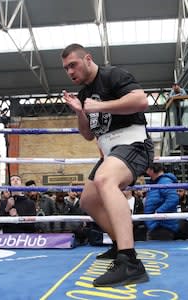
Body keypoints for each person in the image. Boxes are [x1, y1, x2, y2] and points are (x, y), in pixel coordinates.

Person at [61, 43, 154, 287]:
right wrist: (80, 112)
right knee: (87, 201)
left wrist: (100, 105)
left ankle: (129, 261)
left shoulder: (113, 75)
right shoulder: (83, 95)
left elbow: (141, 100)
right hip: (110, 151)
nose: (70, 72)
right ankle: (118, 244)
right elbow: (88, 136)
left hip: (134, 143)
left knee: (105, 180)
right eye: (66, 68)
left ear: (88, 59)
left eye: (73, 65)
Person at [144, 163, 179, 240]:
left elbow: (173, 199)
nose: (146, 172)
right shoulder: (157, 182)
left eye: (147, 170)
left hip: (162, 225)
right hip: (156, 224)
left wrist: (159, 212)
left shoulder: (164, 181)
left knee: (160, 249)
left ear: (151, 170)